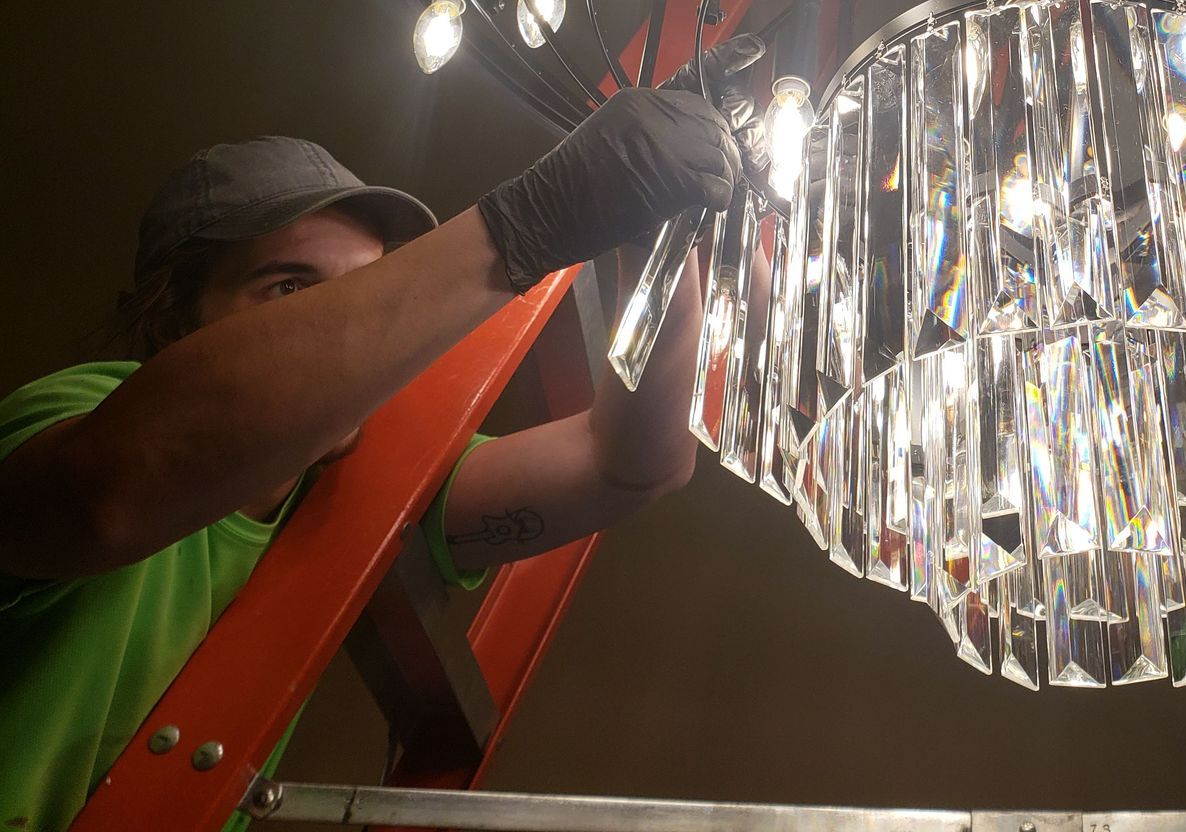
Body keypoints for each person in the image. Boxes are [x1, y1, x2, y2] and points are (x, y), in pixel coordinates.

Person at [0, 40, 769, 832]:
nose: (346, 331)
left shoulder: (355, 482)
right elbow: (109, 494)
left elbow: (631, 465)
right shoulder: (71, 413)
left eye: (363, 289)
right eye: (290, 290)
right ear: (171, 322)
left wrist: (652, 229)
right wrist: (528, 224)